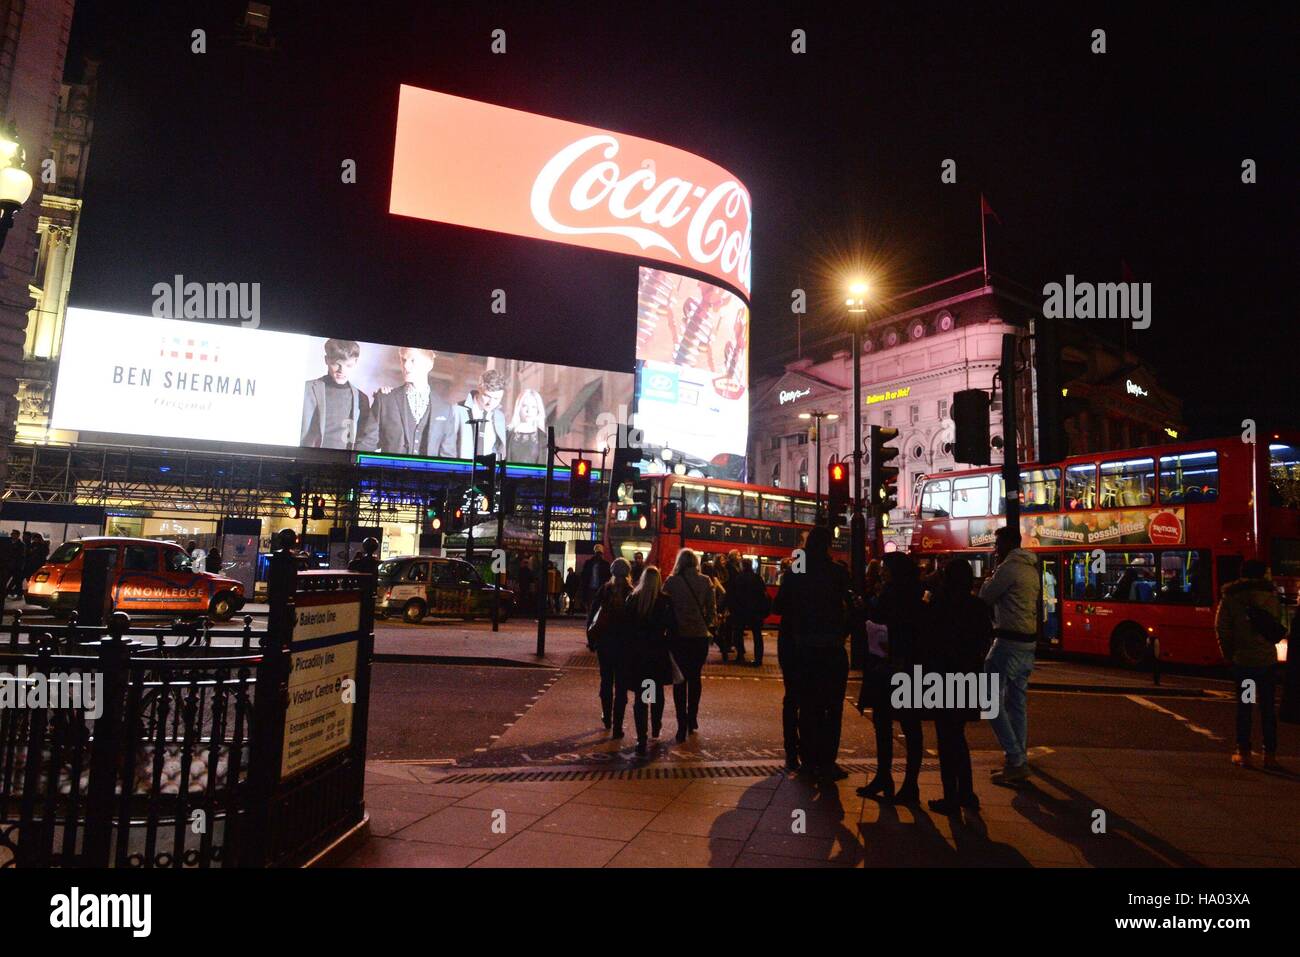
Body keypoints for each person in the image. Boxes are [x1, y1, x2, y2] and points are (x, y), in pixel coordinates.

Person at [776, 526, 853, 781]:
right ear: (828, 544)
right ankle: (828, 760)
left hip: (805, 646)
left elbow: (781, 604)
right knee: (833, 707)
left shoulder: (798, 570)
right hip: (832, 647)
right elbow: (850, 607)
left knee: (808, 706)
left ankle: (808, 759)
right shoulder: (837, 572)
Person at [918, 558, 993, 814]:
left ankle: (952, 796)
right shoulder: (979, 606)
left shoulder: (939, 605)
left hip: (944, 676)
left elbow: (927, 640)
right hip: (969, 674)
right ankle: (967, 793)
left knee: (946, 739)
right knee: (958, 736)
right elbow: (985, 639)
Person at [857, 552, 925, 801]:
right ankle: (909, 783)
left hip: (890, 664)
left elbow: (879, 620)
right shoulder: (917, 593)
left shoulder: (890, 594)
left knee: (884, 723)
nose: (883, 572)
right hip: (909, 665)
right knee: (910, 725)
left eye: (886, 568)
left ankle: (885, 776)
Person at [980, 525, 1042, 785]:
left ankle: (1015, 758)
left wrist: (988, 577)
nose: (995, 550)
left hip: (1008, 641)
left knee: (989, 700)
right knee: (1016, 702)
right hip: (1028, 644)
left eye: (997, 545)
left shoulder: (1008, 568)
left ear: (1006, 545)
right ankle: (1019, 760)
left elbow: (985, 597)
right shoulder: (1031, 569)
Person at [1215, 559, 1285, 769]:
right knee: (1268, 709)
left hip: (1245, 664)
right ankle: (1269, 755)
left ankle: (1244, 752)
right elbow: (1277, 625)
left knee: (1245, 707)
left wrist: (1229, 655)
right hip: (1267, 664)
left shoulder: (1231, 598)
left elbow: (1223, 629)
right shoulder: (1272, 597)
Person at [359, 347, 456, 455]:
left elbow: (448, 456)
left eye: (413, 360)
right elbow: (366, 446)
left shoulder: (445, 409)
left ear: (429, 364)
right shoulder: (384, 400)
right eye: (403, 360)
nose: (405, 365)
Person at [663, 548, 716, 742]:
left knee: (679, 680)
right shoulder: (705, 581)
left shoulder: (671, 582)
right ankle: (693, 717)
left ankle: (681, 723)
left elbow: (663, 608)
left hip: (678, 637)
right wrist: (706, 625)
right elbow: (712, 611)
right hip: (699, 637)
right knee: (695, 678)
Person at [626, 565, 676, 755]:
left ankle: (642, 736)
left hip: (639, 654)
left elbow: (627, 627)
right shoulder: (664, 601)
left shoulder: (634, 599)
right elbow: (672, 627)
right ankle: (655, 726)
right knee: (655, 693)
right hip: (657, 653)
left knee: (642, 696)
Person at [587, 557, 635, 736]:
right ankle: (618, 726)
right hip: (624, 645)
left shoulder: (604, 590)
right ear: (628, 573)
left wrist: (592, 640)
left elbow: (593, 615)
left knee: (606, 681)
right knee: (621, 685)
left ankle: (606, 716)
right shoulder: (631, 593)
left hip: (605, 644)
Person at [301, 338, 370, 450]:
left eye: (348, 365)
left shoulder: (362, 398)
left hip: (344, 463)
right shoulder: (306, 389)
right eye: (336, 364)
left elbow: (365, 439)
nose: (341, 371)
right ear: (326, 360)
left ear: (356, 362)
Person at [774, 558, 802, 771]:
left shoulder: (791, 579)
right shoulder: (822, 579)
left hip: (790, 645)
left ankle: (791, 750)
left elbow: (777, 606)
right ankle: (809, 750)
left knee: (791, 699)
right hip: (811, 647)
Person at [452, 368, 508, 459]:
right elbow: (448, 447)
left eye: (497, 399)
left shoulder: (500, 417)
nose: (491, 403)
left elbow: (499, 449)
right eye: (487, 396)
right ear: (479, 388)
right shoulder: (457, 410)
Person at [732, 558, 769, 666]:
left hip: (741, 611)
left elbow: (734, 595)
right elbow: (763, 594)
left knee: (738, 633)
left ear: (742, 566)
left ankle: (740, 655)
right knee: (757, 636)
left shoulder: (738, 578)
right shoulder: (757, 578)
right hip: (755, 612)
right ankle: (758, 659)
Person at [505, 388, 547, 465]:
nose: (529, 411)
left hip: (535, 476)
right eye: (524, 406)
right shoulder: (507, 434)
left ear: (538, 410)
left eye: (533, 407)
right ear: (518, 408)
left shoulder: (543, 437)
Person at [580, 544, 611, 612]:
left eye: (600, 553)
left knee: (598, 607)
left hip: (600, 589)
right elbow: (584, 577)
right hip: (590, 589)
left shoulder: (605, 564)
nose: (598, 555)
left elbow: (608, 578)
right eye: (597, 553)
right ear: (595, 553)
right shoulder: (588, 563)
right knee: (590, 608)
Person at [6, 530, 26, 598]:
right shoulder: (9, 543)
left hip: (16, 565)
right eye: (12, 534)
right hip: (9, 564)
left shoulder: (21, 544)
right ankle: (7, 592)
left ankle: (19, 594)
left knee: (17, 581)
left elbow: (21, 556)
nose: (12, 535)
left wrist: (20, 565)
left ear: (17, 535)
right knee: (6, 579)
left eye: (14, 534)